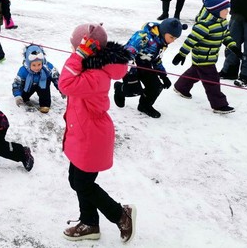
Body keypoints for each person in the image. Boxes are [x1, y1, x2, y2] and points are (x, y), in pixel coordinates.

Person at [59, 23, 135, 242]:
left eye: (77, 47)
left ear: (88, 49)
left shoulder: (96, 75)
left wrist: (78, 56)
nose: (74, 51)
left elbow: (65, 84)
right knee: (76, 179)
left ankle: (121, 215)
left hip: (91, 137)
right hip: (82, 133)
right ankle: (89, 223)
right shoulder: (90, 68)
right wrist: (81, 57)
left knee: (82, 183)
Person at [172, 0, 243, 114]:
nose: (228, 12)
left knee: (195, 72)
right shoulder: (204, 25)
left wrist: (233, 47)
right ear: (216, 11)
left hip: (210, 56)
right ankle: (219, 105)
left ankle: (181, 87)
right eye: (225, 9)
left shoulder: (222, 22)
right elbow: (191, 40)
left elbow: (225, 36)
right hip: (203, 58)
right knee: (212, 82)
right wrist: (181, 54)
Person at [114, 18, 185, 118]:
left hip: (145, 65)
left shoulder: (162, 42)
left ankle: (144, 105)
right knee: (134, 90)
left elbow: (156, 60)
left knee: (156, 87)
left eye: (175, 39)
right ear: (164, 32)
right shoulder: (143, 37)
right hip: (130, 66)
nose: (173, 41)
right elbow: (128, 53)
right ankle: (119, 89)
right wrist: (130, 74)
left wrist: (163, 76)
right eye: (171, 37)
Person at [12, 44, 61, 113]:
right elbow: (17, 83)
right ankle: (23, 97)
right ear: (29, 63)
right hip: (29, 85)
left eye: (39, 64)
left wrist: (62, 89)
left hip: (43, 85)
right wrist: (17, 95)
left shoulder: (48, 67)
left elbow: (56, 78)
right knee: (23, 97)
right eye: (34, 65)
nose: (37, 67)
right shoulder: (23, 70)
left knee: (45, 91)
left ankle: (44, 104)